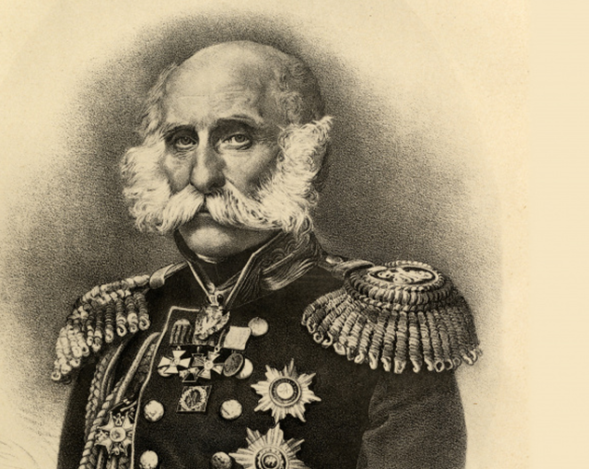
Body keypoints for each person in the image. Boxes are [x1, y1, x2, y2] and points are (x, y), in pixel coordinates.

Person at [52, 41, 480, 469]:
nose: (202, 176)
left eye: (236, 138)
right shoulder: (122, 328)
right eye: (182, 140)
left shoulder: (388, 332)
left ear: (307, 155)